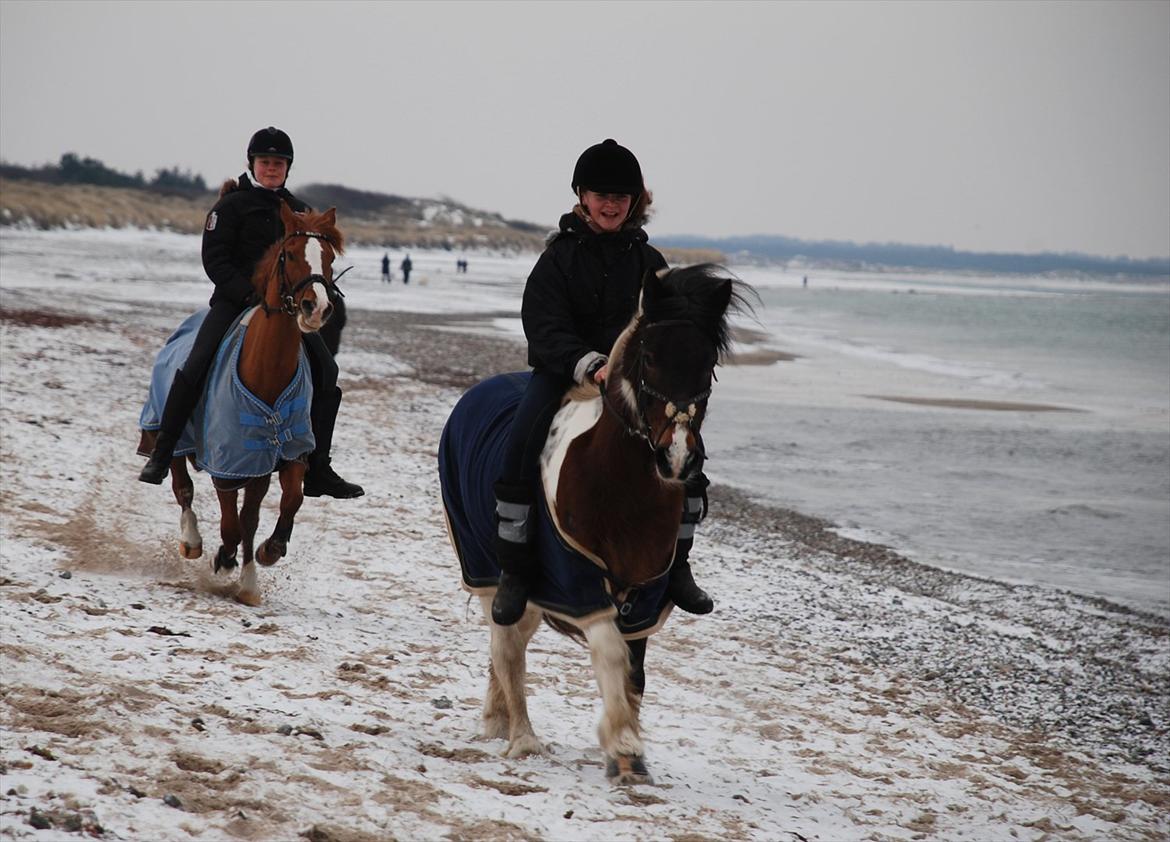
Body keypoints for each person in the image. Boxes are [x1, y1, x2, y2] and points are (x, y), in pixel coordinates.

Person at [490, 138, 714, 626]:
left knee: (689, 453)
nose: (610, 205)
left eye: (620, 197)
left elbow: (668, 329)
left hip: (633, 384)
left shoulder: (650, 261)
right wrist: (588, 363)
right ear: (582, 197)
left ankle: (679, 565)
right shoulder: (558, 258)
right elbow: (543, 324)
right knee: (520, 442)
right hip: (566, 374)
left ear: (634, 202)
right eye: (601, 195)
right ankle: (514, 571)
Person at [138, 126, 364, 499]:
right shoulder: (230, 207)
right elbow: (215, 259)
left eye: (279, 163)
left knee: (327, 371)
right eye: (265, 162)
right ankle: (163, 452)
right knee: (195, 363)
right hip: (234, 302)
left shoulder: (299, 211)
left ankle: (319, 468)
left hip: (285, 310)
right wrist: (246, 294)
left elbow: (310, 261)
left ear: (287, 167)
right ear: (252, 164)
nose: (271, 168)